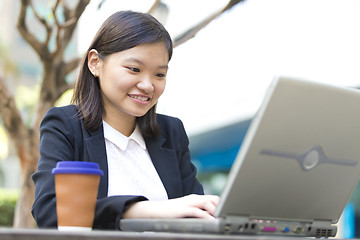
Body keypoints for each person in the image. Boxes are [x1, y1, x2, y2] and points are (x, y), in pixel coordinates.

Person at [31, 10, 219, 229]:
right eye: (134, 69)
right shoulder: (66, 126)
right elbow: (50, 211)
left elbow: (197, 214)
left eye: (159, 74)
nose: (148, 85)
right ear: (95, 63)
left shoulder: (171, 131)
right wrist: (141, 210)